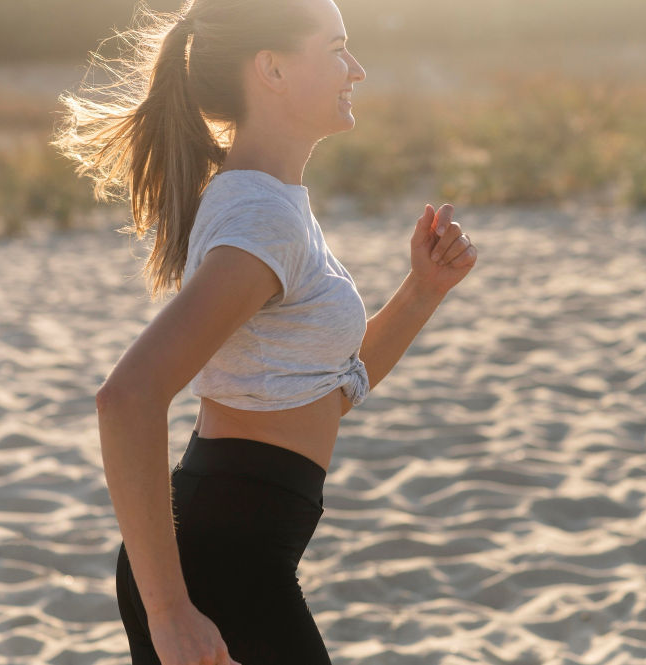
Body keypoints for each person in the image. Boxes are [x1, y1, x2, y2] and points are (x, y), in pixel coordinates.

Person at [52, 0, 477, 662]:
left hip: (233, 552)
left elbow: (333, 385)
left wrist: (421, 292)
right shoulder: (261, 220)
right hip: (221, 571)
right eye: (336, 48)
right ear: (272, 69)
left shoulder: (267, 202)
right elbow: (127, 397)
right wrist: (169, 612)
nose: (356, 69)